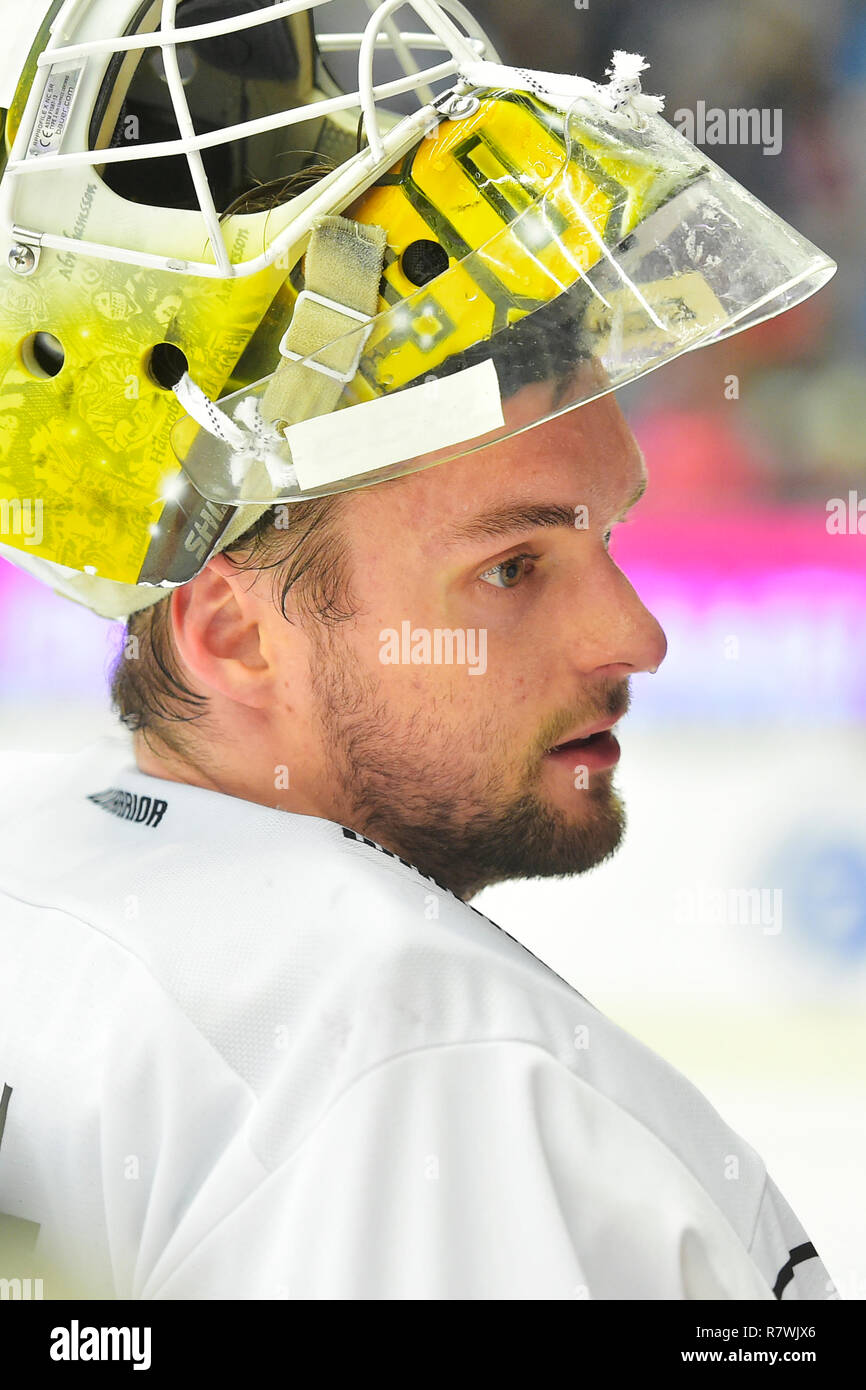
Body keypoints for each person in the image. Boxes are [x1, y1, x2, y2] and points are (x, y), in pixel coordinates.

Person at [0, 0, 838, 1299]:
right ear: (230, 630)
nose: (637, 634)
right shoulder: (439, 1072)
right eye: (510, 567)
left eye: (606, 539)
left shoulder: (48, 899)